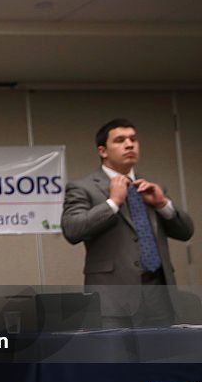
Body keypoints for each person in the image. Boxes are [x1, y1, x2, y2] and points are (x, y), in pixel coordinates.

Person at [61, 118, 193, 327]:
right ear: (103, 151)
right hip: (113, 297)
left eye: (133, 139)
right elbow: (72, 229)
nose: (130, 144)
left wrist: (162, 204)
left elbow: (186, 232)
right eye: (120, 140)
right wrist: (113, 202)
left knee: (161, 358)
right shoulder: (83, 187)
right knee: (118, 359)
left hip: (159, 293)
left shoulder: (151, 187)